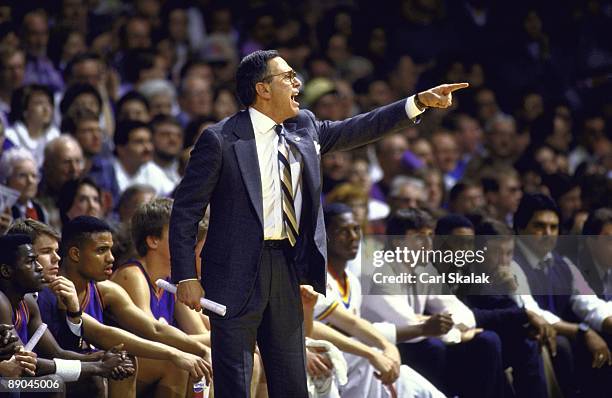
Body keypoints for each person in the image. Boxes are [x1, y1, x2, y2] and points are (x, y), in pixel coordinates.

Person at [169, 48, 468, 397]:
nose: (298, 83)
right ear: (262, 89)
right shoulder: (219, 139)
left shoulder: (304, 127)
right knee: (235, 381)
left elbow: (362, 127)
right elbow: (186, 211)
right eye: (288, 77)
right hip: (233, 273)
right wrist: (187, 275)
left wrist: (417, 102)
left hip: (287, 268)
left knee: (291, 381)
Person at [0, 234, 135, 387]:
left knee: (91, 381)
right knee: (54, 384)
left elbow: (57, 353)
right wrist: (99, 366)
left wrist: (101, 357)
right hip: (8, 383)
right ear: (6, 271)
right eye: (31, 262)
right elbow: (24, 364)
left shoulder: (28, 302)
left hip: (15, 382)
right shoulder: (1, 301)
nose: (38, 267)